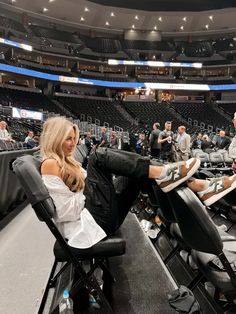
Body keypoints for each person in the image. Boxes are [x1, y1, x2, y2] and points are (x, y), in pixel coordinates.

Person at [40, 117, 236, 249]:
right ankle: (184, 181)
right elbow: (64, 212)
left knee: (137, 172)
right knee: (97, 156)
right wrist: (90, 189)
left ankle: (198, 186)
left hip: (100, 217)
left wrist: (94, 187)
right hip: (92, 225)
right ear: (56, 139)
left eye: (74, 138)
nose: (73, 143)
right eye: (68, 139)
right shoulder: (50, 164)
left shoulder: (67, 161)